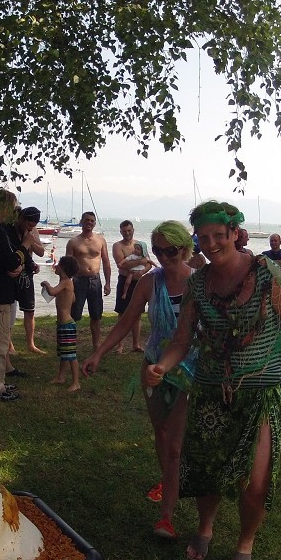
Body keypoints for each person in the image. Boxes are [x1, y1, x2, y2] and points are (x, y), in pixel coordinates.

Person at [147, 201, 281, 560]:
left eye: (218, 236)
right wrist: (162, 367)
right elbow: (182, 340)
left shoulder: (266, 276)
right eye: (203, 238)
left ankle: (245, 543)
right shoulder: (198, 285)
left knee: (256, 480)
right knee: (207, 471)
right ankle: (205, 528)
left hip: (261, 389)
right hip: (208, 389)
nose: (211, 243)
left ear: (235, 233)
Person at [84, 220, 197, 541]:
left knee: (175, 445)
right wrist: (99, 352)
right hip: (152, 369)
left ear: (184, 249)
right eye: (158, 250)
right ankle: (168, 480)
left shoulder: (199, 283)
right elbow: (126, 321)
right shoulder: (150, 282)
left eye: (171, 251)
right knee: (160, 433)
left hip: (188, 372)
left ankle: (167, 517)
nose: (164, 257)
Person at [0, 190, 35, 401]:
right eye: (13, 207)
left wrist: (15, 265)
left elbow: (4, 260)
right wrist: (26, 246)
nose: (15, 211)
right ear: (4, 206)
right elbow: (10, 261)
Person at [65, 211, 112, 351]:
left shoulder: (100, 240)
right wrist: (68, 286)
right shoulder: (73, 242)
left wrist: (108, 283)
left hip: (95, 281)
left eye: (92, 220)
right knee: (74, 314)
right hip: (78, 280)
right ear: (81, 221)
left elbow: (106, 262)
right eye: (87, 220)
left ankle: (96, 344)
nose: (89, 223)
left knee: (96, 314)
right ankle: (70, 342)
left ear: (95, 223)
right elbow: (67, 266)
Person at [112, 220, 154, 353]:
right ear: (120, 232)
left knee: (137, 313)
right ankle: (120, 345)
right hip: (124, 280)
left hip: (138, 282)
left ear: (133, 230)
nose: (127, 233)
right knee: (122, 313)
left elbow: (149, 263)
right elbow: (122, 264)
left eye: (129, 230)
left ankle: (136, 344)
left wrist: (142, 271)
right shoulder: (117, 246)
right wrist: (140, 261)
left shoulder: (140, 245)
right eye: (124, 231)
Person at [43, 255, 80, 392]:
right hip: (63, 323)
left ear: (63, 268)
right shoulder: (67, 283)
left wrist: (46, 283)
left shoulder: (65, 282)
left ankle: (76, 382)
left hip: (67, 324)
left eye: (58, 264)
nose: (55, 266)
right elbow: (74, 298)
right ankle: (61, 377)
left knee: (71, 355)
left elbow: (52, 291)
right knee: (65, 353)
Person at [15, 206, 47, 355]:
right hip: (13, 271)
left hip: (27, 273)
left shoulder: (33, 231)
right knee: (9, 309)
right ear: (22, 219)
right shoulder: (12, 229)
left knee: (29, 310)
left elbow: (40, 252)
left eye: (33, 226)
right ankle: (9, 344)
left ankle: (31, 344)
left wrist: (30, 240)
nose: (31, 227)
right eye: (29, 225)